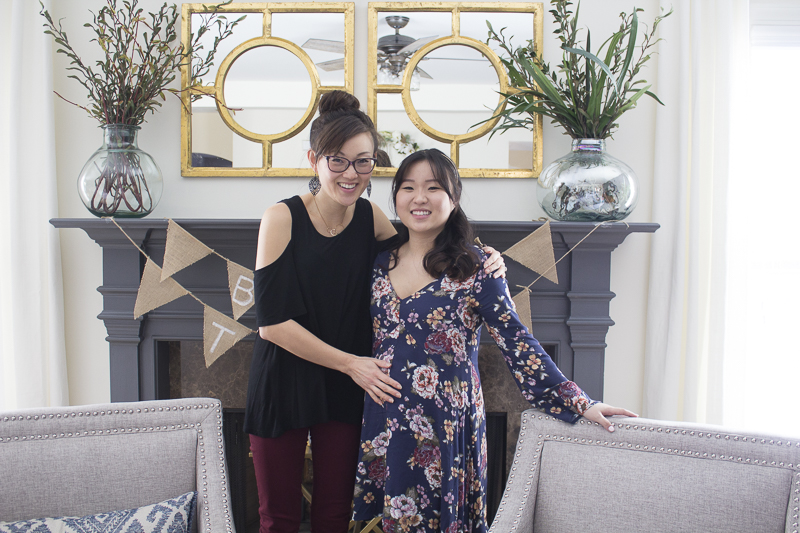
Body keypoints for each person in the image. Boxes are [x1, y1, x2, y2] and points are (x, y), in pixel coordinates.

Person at [243, 92, 506, 533]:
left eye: (363, 162)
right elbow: (272, 325)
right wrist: (352, 364)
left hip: (349, 387)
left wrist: (481, 256)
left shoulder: (371, 217)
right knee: (278, 519)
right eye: (338, 160)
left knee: (334, 515)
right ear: (314, 160)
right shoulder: (281, 218)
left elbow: (423, 243)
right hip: (285, 381)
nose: (351, 173)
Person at [352, 149, 637, 533]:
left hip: (446, 424)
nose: (419, 197)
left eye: (433, 188)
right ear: (396, 196)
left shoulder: (476, 267)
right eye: (408, 187)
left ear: (453, 198)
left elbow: (516, 340)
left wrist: (579, 401)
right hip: (384, 417)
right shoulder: (377, 263)